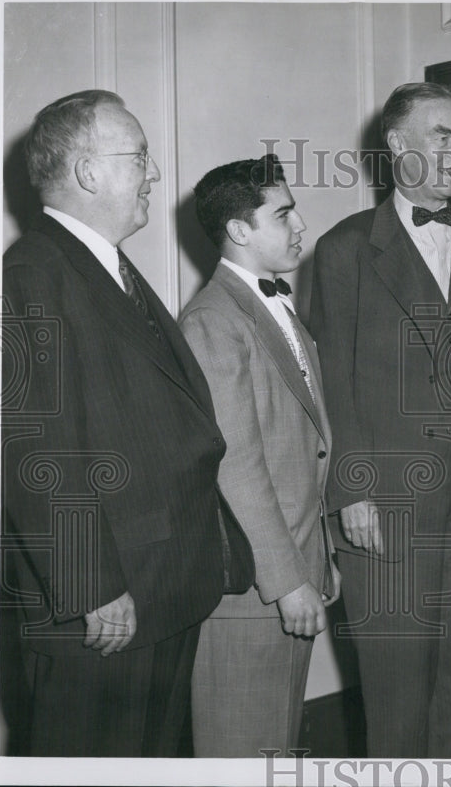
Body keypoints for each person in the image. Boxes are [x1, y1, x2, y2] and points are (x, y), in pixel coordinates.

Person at [1, 89, 253, 757]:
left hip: (162, 587)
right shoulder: (32, 271)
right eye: (139, 156)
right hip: (108, 603)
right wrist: (93, 583)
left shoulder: (104, 266)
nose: (156, 174)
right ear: (88, 173)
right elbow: (35, 445)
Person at [307, 82, 451, 757]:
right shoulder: (344, 249)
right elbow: (330, 381)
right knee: (397, 685)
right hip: (388, 502)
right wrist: (352, 489)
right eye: (442, 136)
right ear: (398, 145)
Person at [179, 155, 340, 757]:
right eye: (285, 213)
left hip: (293, 571)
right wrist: (287, 579)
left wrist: (316, 558)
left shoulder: (273, 308)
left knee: (274, 746)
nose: (300, 225)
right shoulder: (212, 321)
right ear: (240, 231)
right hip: (255, 588)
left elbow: (304, 446)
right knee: (241, 749)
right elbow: (236, 466)